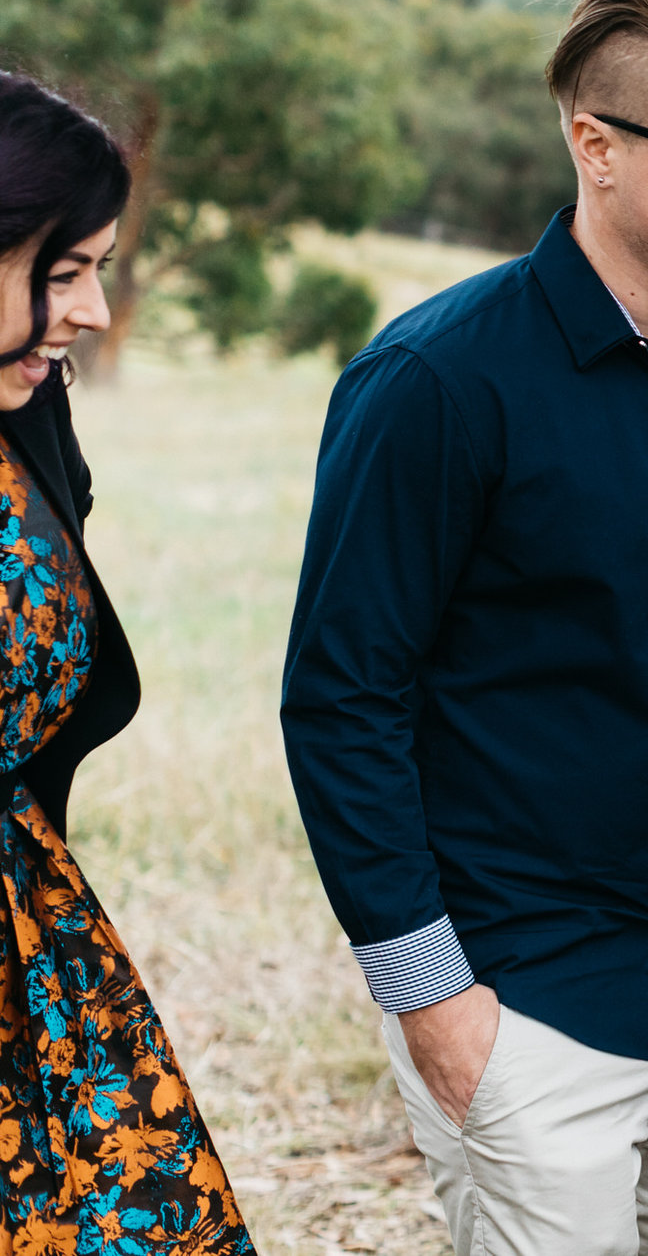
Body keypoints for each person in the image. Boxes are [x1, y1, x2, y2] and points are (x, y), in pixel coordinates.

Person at [280, 0, 648, 1256]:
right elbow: (341, 699)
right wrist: (440, 1011)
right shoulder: (436, 381)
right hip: (525, 1006)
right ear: (595, 145)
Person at [0, 73, 256, 1249]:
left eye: (96, 268)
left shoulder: (29, 422)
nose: (94, 311)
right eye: (60, 271)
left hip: (36, 952)